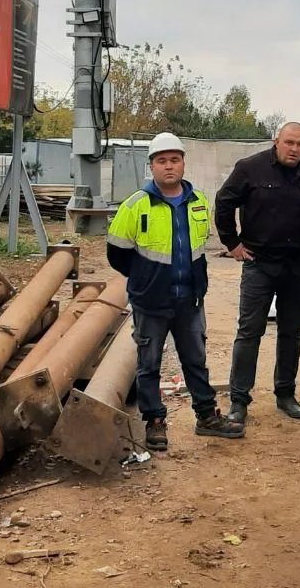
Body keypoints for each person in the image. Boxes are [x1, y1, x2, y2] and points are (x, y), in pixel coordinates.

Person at [106, 131, 244, 451]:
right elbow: (116, 252)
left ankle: (206, 417)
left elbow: (198, 247)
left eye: (174, 160)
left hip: (189, 298)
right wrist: (144, 278)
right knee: (148, 362)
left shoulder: (198, 202)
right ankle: (154, 421)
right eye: (161, 161)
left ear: (183, 163)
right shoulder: (136, 205)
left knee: (195, 359)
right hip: (151, 301)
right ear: (151, 166)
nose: (169, 166)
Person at [215, 122, 300, 424]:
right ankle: (239, 399)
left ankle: (285, 394)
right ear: (277, 141)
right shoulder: (251, 168)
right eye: (289, 142)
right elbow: (224, 202)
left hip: (297, 266)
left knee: (291, 331)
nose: (295, 149)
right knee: (249, 332)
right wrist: (232, 243)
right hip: (259, 264)